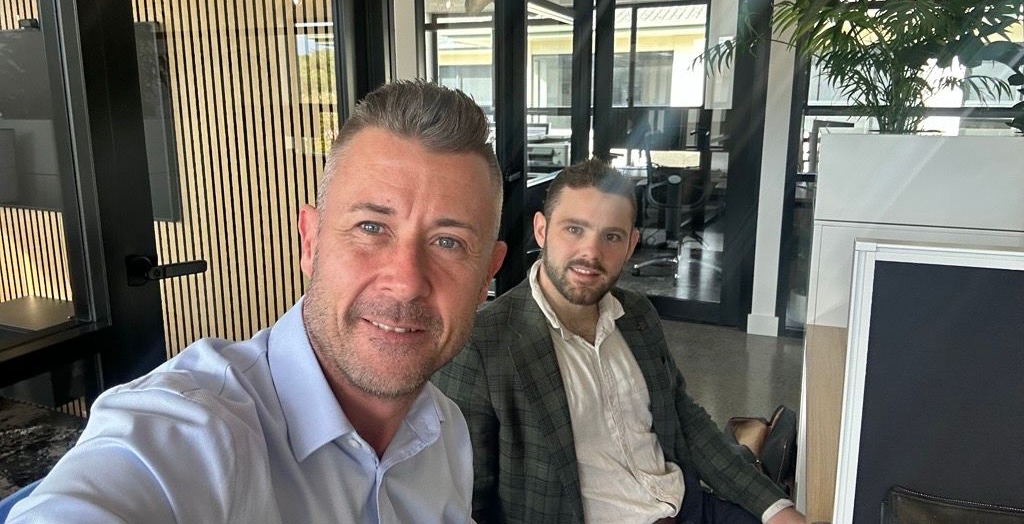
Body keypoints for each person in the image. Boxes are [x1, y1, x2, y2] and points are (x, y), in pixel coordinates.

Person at [9, 80, 507, 524]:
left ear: (489, 271)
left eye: (448, 242)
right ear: (309, 243)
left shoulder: (444, 428)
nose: (406, 282)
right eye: (371, 228)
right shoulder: (195, 430)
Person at [434, 158, 806, 524]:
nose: (591, 254)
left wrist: (775, 507)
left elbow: (684, 418)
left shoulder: (638, 315)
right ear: (542, 230)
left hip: (686, 506)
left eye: (610, 236)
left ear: (630, 245)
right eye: (574, 230)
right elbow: (467, 501)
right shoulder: (483, 344)